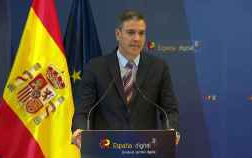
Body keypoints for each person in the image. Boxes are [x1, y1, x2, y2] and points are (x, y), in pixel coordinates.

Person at [72, 10, 180, 147]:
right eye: (131, 32)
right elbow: (83, 111)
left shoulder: (158, 67)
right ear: (118, 34)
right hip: (105, 149)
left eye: (141, 33)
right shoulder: (96, 68)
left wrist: (171, 131)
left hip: (144, 149)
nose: (137, 38)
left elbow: (169, 110)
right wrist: (80, 131)